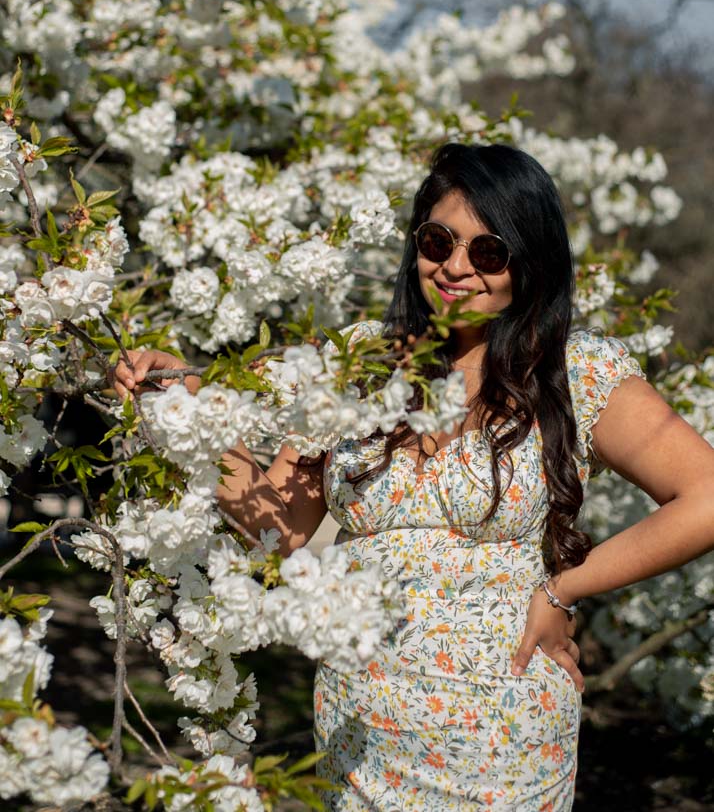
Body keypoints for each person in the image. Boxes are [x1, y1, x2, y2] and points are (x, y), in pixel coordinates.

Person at [114, 143, 714, 811]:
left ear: (529, 262)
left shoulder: (574, 369)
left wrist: (565, 588)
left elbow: (706, 499)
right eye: (439, 242)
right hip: (360, 733)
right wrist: (191, 410)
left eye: (490, 252)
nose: (457, 268)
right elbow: (278, 527)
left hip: (506, 738)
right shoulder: (358, 360)